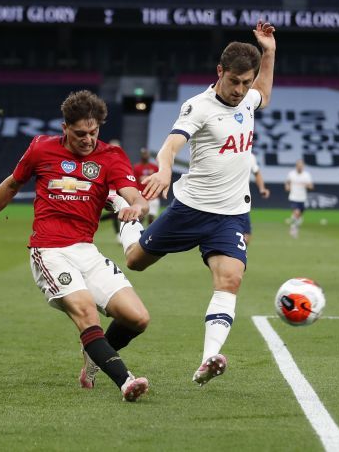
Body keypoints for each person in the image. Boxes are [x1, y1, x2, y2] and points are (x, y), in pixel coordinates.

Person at [0, 90, 151, 402]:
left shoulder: (110, 157)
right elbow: (10, 185)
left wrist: (136, 208)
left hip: (86, 251)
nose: (87, 140)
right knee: (88, 313)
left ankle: (93, 354)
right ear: (64, 128)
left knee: (137, 318)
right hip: (50, 250)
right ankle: (126, 381)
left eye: (93, 132)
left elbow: (135, 194)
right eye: (80, 133)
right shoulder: (40, 149)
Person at [110, 20, 276, 387]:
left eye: (245, 82)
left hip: (230, 213)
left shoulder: (248, 97)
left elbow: (264, 91)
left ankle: (208, 359)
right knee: (135, 262)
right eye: (234, 81)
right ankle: (126, 219)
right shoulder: (197, 107)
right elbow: (171, 145)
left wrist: (270, 51)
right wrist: (165, 172)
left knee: (230, 279)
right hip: (190, 208)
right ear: (220, 72)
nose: (240, 90)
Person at [242, 151, 271, 246]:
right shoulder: (225, 152)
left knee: (247, 237)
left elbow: (257, 173)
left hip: (241, 202)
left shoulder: (249, 156)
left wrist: (262, 189)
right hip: (222, 201)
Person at [284, 159, 313, 238]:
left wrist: (307, 185)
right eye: (298, 165)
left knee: (299, 216)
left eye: (301, 165)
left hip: (302, 198)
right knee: (296, 212)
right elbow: (287, 182)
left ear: (303, 166)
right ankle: (293, 228)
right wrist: (287, 186)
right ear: (296, 166)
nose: (300, 167)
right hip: (293, 197)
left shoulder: (306, 175)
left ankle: (294, 224)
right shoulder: (291, 174)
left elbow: (311, 186)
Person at [133, 147, 160, 225]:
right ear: (141, 155)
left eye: (146, 153)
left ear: (149, 155)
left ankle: (149, 235)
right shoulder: (136, 167)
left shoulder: (154, 167)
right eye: (143, 154)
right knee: (141, 217)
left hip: (152, 195)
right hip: (141, 196)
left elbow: (158, 181)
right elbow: (134, 182)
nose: (145, 155)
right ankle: (140, 234)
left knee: (151, 216)